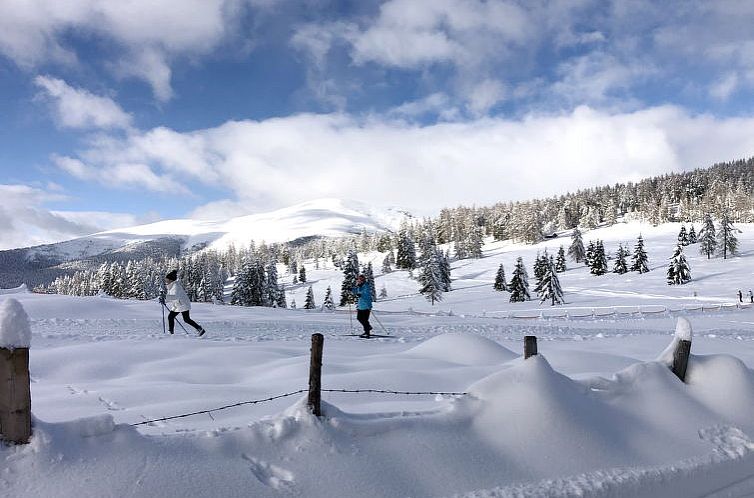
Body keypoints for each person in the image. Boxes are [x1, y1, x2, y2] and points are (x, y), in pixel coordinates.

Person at [160, 270, 206, 336]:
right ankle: (171, 331)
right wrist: (164, 299)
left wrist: (165, 297)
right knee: (171, 317)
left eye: (167, 279)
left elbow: (175, 296)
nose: (166, 280)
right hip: (178, 305)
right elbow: (171, 296)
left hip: (183, 304)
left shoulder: (176, 286)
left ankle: (199, 329)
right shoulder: (171, 286)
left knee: (186, 319)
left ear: (171, 280)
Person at [352, 274, 373, 338]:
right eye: (358, 280)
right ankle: (368, 328)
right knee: (359, 318)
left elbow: (367, 294)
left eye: (360, 280)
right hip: (360, 305)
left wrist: (360, 294)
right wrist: (352, 289)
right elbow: (355, 292)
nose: (358, 281)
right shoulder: (359, 286)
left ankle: (367, 332)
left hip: (366, 305)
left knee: (365, 319)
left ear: (363, 280)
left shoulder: (366, 286)